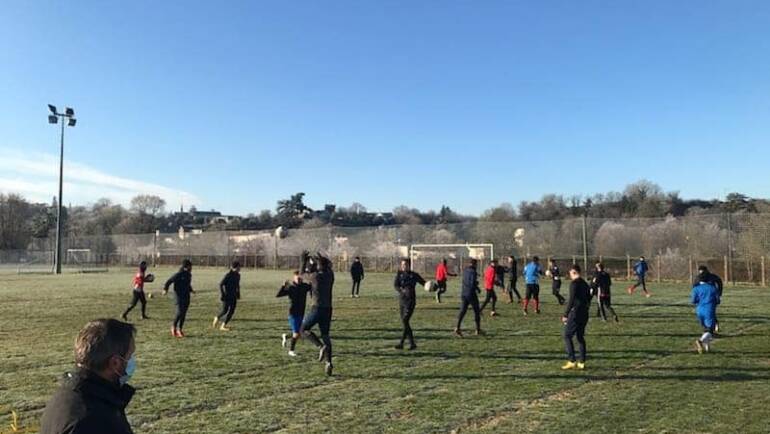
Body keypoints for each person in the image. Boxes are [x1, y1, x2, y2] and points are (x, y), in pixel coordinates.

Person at [40, 319, 137, 434]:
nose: (132, 360)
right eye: (130, 355)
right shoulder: (93, 420)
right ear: (115, 363)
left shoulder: (68, 394)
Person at [300, 251, 335, 376]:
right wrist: (319, 260)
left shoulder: (315, 277)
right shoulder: (330, 275)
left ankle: (320, 346)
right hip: (328, 309)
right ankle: (329, 363)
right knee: (326, 335)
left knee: (303, 329)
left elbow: (302, 274)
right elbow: (328, 266)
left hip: (317, 308)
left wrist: (303, 261)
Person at [561, 264, 592, 370]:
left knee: (567, 335)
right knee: (580, 337)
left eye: (570, 273)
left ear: (574, 272)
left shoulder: (574, 284)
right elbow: (589, 298)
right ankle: (582, 362)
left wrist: (566, 314)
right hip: (584, 313)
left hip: (576, 313)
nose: (570, 275)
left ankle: (572, 360)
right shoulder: (585, 283)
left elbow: (571, 300)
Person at [393, 258, 426, 350]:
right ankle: (403, 344)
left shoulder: (414, 275)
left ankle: (411, 343)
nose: (403, 266)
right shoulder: (399, 274)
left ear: (409, 265)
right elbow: (396, 285)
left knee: (405, 321)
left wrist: (432, 286)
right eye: (402, 264)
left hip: (410, 302)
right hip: (402, 301)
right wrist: (401, 290)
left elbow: (424, 283)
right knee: (405, 323)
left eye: (405, 265)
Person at [276, 271, 311, 357]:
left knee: (299, 333)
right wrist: (283, 286)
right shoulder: (291, 288)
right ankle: (291, 351)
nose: (299, 280)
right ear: (294, 279)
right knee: (297, 334)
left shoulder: (304, 286)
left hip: (301, 313)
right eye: (297, 278)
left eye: (300, 278)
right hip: (293, 314)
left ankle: (286, 336)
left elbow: (313, 286)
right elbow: (278, 295)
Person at [163, 259, 195, 338]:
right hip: (178, 296)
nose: (191, 268)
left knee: (184, 313)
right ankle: (173, 327)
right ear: (186, 267)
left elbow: (187, 284)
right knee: (180, 312)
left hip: (186, 295)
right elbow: (169, 281)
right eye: (190, 266)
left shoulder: (189, 275)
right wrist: (165, 289)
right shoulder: (179, 274)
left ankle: (180, 329)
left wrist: (191, 290)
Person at [454, 259, 483, 337]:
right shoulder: (473, 272)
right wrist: (477, 288)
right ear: (475, 265)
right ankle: (478, 329)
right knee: (477, 311)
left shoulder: (465, 270)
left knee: (463, 311)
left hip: (464, 293)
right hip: (471, 293)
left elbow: (466, 281)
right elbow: (472, 283)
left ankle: (457, 327)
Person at [691, 277, 720, 353]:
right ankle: (700, 341)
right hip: (709, 310)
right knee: (710, 330)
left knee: (705, 329)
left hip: (699, 310)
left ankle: (707, 348)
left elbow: (693, 300)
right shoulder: (713, 288)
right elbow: (718, 300)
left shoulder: (696, 288)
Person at [693, 265, 724, 332]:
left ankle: (712, 327)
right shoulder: (698, 277)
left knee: (710, 312)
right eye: (700, 271)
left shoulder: (712, 276)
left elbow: (719, 282)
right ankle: (708, 328)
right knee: (706, 314)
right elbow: (694, 285)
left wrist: (719, 292)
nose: (701, 273)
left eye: (702, 271)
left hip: (711, 296)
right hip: (702, 297)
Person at [212, 261, 241, 331]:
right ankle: (217, 317)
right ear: (235, 267)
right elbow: (221, 284)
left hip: (233, 296)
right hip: (227, 296)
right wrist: (223, 294)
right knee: (224, 310)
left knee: (232, 311)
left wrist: (238, 293)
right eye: (239, 267)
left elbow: (237, 285)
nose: (240, 268)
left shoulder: (238, 275)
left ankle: (223, 326)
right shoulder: (228, 275)